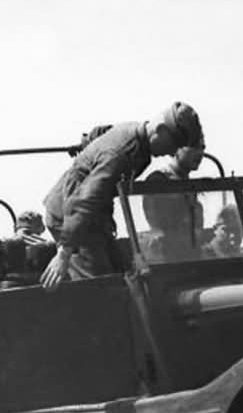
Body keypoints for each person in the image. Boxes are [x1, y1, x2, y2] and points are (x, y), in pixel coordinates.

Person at [41, 101, 204, 288]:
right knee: (100, 286)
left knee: (123, 271)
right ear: (160, 130)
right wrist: (64, 253)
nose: (172, 152)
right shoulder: (121, 153)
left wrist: (89, 147)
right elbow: (84, 200)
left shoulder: (138, 140)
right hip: (69, 216)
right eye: (173, 144)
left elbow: (103, 134)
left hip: (92, 216)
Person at [141, 145, 205, 261]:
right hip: (167, 258)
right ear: (176, 149)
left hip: (190, 254)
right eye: (194, 146)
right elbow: (160, 225)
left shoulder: (189, 184)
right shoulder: (159, 180)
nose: (200, 153)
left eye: (202, 147)